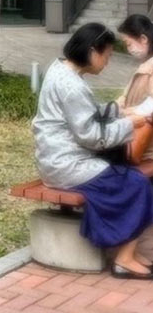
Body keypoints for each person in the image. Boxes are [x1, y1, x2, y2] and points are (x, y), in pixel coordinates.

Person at [32, 23, 153, 278]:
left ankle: (128, 251)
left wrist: (118, 111)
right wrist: (131, 123)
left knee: (125, 175)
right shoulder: (72, 86)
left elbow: (84, 113)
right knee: (138, 184)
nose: (107, 63)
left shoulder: (60, 69)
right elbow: (93, 137)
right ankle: (124, 259)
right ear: (92, 51)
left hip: (55, 160)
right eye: (107, 56)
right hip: (67, 165)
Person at [117, 14, 153, 161]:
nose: (128, 49)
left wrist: (131, 112)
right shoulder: (146, 64)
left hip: (145, 147)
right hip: (139, 142)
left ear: (143, 39)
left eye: (129, 43)